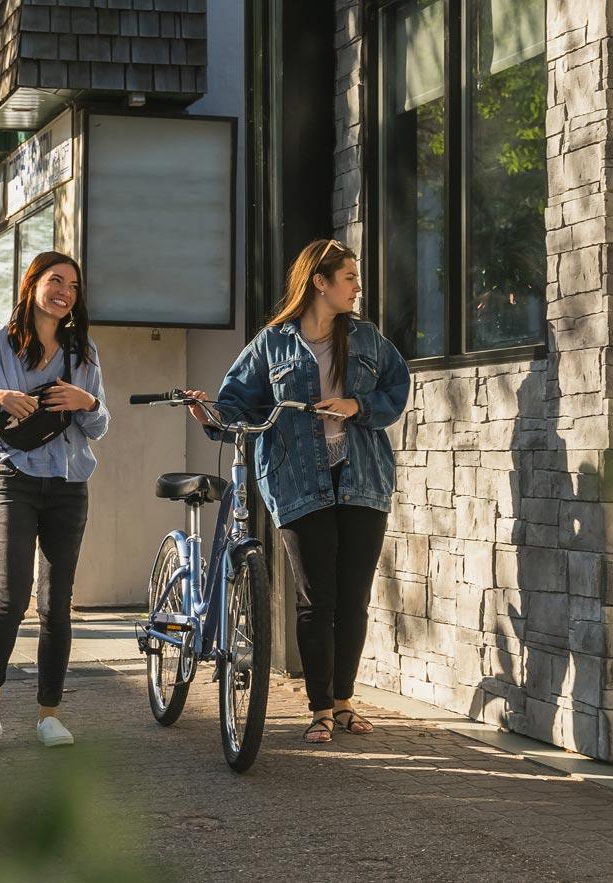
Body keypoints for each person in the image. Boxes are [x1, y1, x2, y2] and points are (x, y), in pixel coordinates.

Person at [183, 239, 411, 744]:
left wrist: (358, 406)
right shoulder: (271, 345)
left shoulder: (369, 340)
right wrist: (209, 415)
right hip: (296, 481)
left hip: (362, 479)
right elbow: (237, 406)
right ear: (320, 283)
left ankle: (346, 703)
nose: (357, 286)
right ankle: (320, 709)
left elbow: (397, 389)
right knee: (316, 599)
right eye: (349, 277)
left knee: (353, 599)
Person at [0, 251, 108, 747]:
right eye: (55, 280)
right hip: (15, 479)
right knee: (12, 596)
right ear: (32, 285)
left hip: (69, 483)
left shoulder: (83, 351)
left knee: (56, 603)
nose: (64, 291)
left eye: (73, 286)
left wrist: (89, 403)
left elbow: (99, 426)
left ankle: (48, 714)